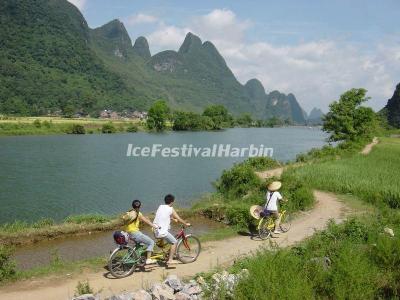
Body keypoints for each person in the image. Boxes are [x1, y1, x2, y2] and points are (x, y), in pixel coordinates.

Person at [153, 194, 191, 265]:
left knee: (170, 239)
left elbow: (162, 215)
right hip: (162, 232)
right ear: (172, 202)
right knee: (174, 242)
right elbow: (179, 218)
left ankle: (167, 254)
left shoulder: (160, 206)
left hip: (154, 229)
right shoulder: (171, 209)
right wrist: (186, 224)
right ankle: (170, 260)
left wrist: (172, 219)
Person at [123, 199, 159, 265]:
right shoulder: (138, 213)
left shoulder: (129, 212)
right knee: (151, 242)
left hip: (128, 233)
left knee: (139, 245)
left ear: (132, 205)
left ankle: (135, 258)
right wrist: (154, 226)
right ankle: (148, 259)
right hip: (135, 233)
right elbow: (146, 221)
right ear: (140, 206)